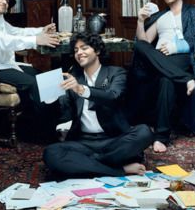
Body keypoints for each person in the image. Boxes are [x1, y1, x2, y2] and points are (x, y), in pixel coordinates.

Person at [43, 33, 153, 178]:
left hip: (113, 140)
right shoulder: (73, 78)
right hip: (84, 142)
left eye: (84, 48)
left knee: (144, 132)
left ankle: (90, 164)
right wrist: (51, 99)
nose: (79, 53)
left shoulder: (116, 73)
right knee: (51, 153)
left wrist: (82, 89)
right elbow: (65, 114)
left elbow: (114, 96)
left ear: (97, 51)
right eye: (76, 50)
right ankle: (119, 169)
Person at [132, 0, 195, 153]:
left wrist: (175, 46)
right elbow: (144, 42)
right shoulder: (160, 17)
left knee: (165, 78)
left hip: (182, 58)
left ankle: (161, 137)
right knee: (141, 47)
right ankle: (186, 79)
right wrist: (140, 21)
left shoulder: (194, 13)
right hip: (160, 61)